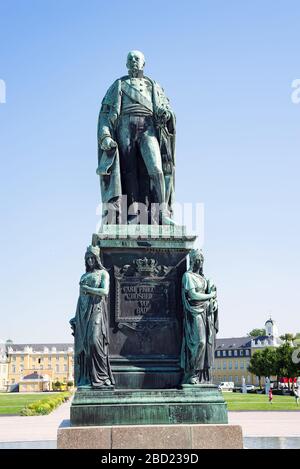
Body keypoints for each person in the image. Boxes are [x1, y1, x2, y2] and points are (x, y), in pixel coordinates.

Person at [97, 50, 176, 225]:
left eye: (137, 58)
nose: (133, 61)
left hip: (148, 128)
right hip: (125, 127)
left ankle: (162, 214)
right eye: (130, 59)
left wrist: (166, 115)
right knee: (128, 172)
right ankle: (132, 215)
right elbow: (105, 113)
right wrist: (105, 136)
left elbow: (167, 109)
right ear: (126, 64)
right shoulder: (118, 85)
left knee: (156, 170)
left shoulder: (153, 85)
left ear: (143, 63)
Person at [70, 245, 115, 389]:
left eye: (92, 258)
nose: (90, 260)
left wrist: (88, 290)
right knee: (85, 346)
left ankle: (102, 377)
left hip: (97, 309)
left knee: (95, 341)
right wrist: (76, 317)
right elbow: (80, 298)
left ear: (97, 258)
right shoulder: (84, 276)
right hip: (83, 313)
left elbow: (105, 291)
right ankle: (87, 378)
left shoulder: (103, 274)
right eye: (87, 258)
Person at [181, 249, 218, 384]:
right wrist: (210, 296)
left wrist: (214, 301)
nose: (199, 262)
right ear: (192, 261)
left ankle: (199, 374)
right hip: (194, 312)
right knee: (200, 342)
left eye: (201, 260)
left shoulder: (203, 279)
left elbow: (211, 293)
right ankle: (191, 373)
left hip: (205, 312)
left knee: (205, 343)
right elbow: (193, 295)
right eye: (197, 260)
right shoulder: (188, 276)